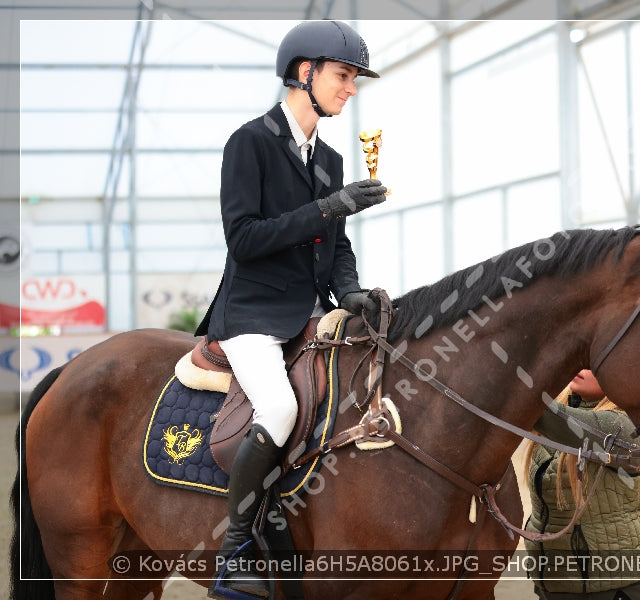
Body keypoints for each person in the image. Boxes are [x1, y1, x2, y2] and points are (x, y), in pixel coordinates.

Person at [195, 20, 387, 598]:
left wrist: (350, 290)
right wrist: (328, 208)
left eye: (354, 78)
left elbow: (339, 246)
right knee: (278, 408)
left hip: (309, 312)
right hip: (251, 315)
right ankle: (236, 546)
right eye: (343, 75)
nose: (351, 88)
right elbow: (245, 240)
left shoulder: (329, 158)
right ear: (305, 72)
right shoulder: (248, 142)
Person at [524, 369, 640, 600]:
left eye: (592, 364)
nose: (581, 368)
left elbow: (539, 413)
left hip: (617, 590)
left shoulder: (626, 425)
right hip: (556, 585)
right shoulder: (564, 405)